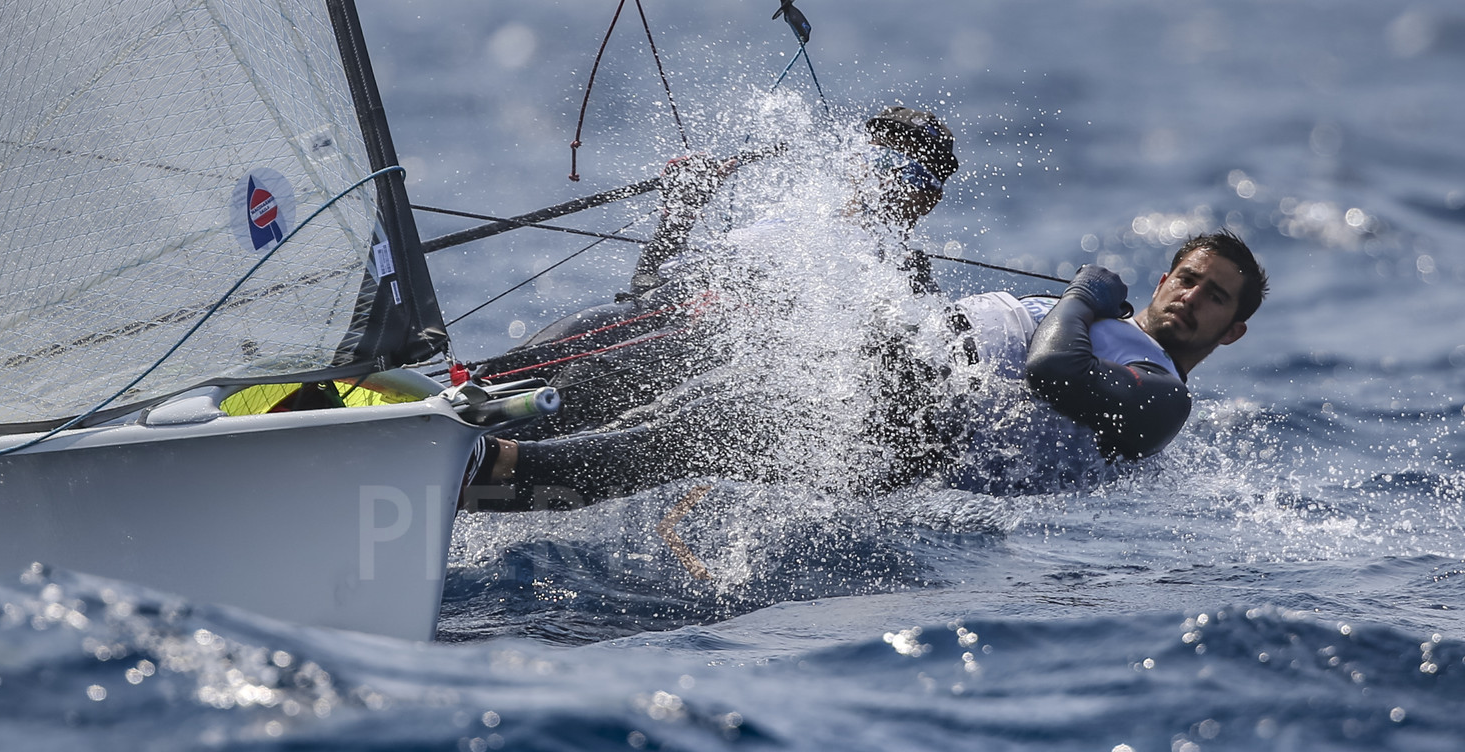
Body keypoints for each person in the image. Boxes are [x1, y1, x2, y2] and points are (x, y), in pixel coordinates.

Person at [463, 110, 1266, 506]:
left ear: (1231, 331)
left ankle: (488, 455)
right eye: (1186, 279)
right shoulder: (1105, 326)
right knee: (697, 404)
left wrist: (1084, 296)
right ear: (1162, 280)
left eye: (1213, 296)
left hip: (923, 424)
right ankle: (484, 443)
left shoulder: (1161, 397)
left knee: (714, 399)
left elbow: (1051, 373)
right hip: (902, 383)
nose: (1191, 297)